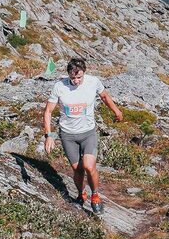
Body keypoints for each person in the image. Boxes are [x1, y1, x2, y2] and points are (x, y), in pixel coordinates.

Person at [44, 57, 124, 215]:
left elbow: (105, 97)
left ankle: (95, 195)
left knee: (89, 165)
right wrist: (49, 135)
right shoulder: (59, 86)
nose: (75, 81)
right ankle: (81, 193)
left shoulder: (93, 82)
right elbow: (48, 111)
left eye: (79, 77)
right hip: (68, 135)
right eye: (72, 77)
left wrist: (116, 111)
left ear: (84, 73)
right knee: (78, 169)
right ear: (68, 74)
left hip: (88, 133)